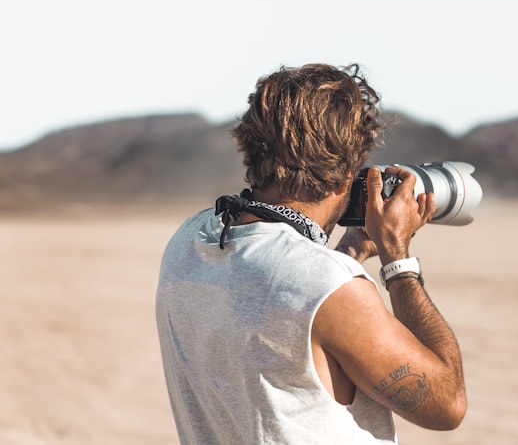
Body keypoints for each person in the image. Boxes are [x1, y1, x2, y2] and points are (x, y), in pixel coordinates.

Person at [155, 63, 466, 444]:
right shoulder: (327, 284)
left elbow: (281, 300)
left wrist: (351, 250)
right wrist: (396, 258)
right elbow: (446, 403)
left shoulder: (190, 239)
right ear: (344, 175)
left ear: (249, 146)